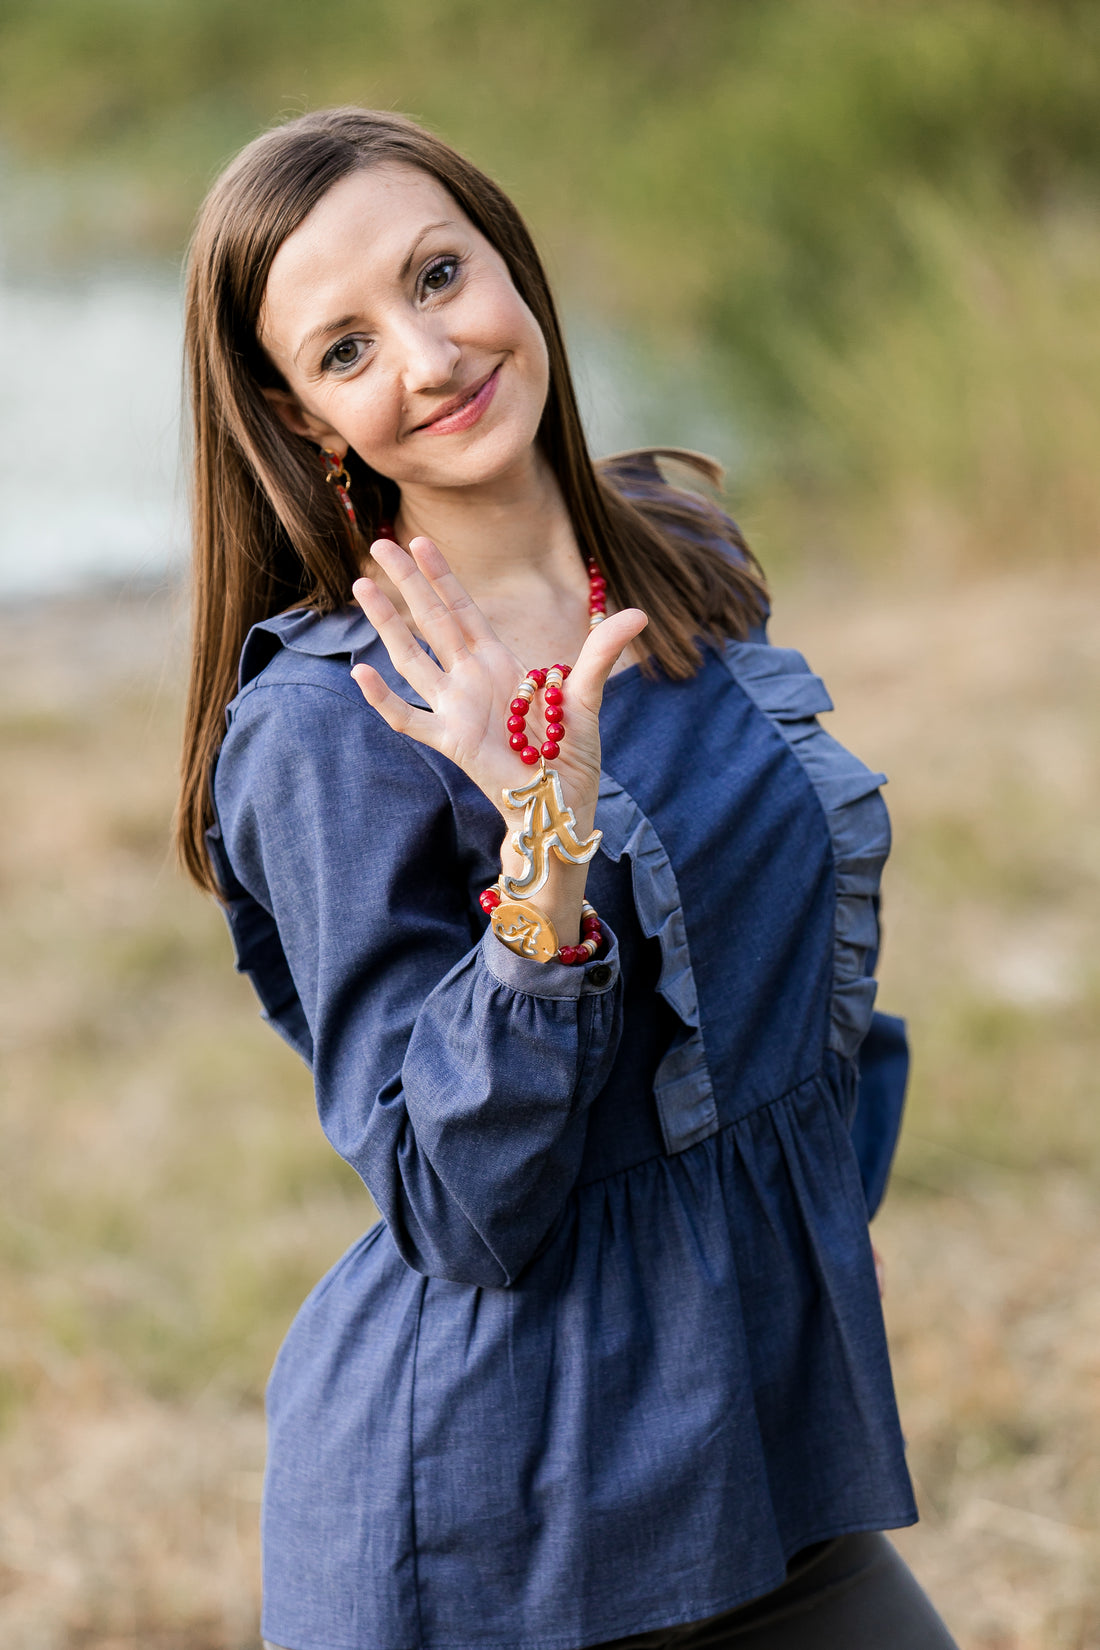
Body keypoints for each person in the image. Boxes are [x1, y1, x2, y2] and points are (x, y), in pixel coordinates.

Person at [177, 107, 956, 1650]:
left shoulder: (672, 548)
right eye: (344, 349)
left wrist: (805, 1224)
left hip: (760, 1421)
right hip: (509, 1521)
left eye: (438, 273)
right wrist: (546, 828)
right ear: (305, 419)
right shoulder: (330, 727)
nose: (428, 354)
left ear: (511, 260)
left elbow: (789, 977)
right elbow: (457, 1202)